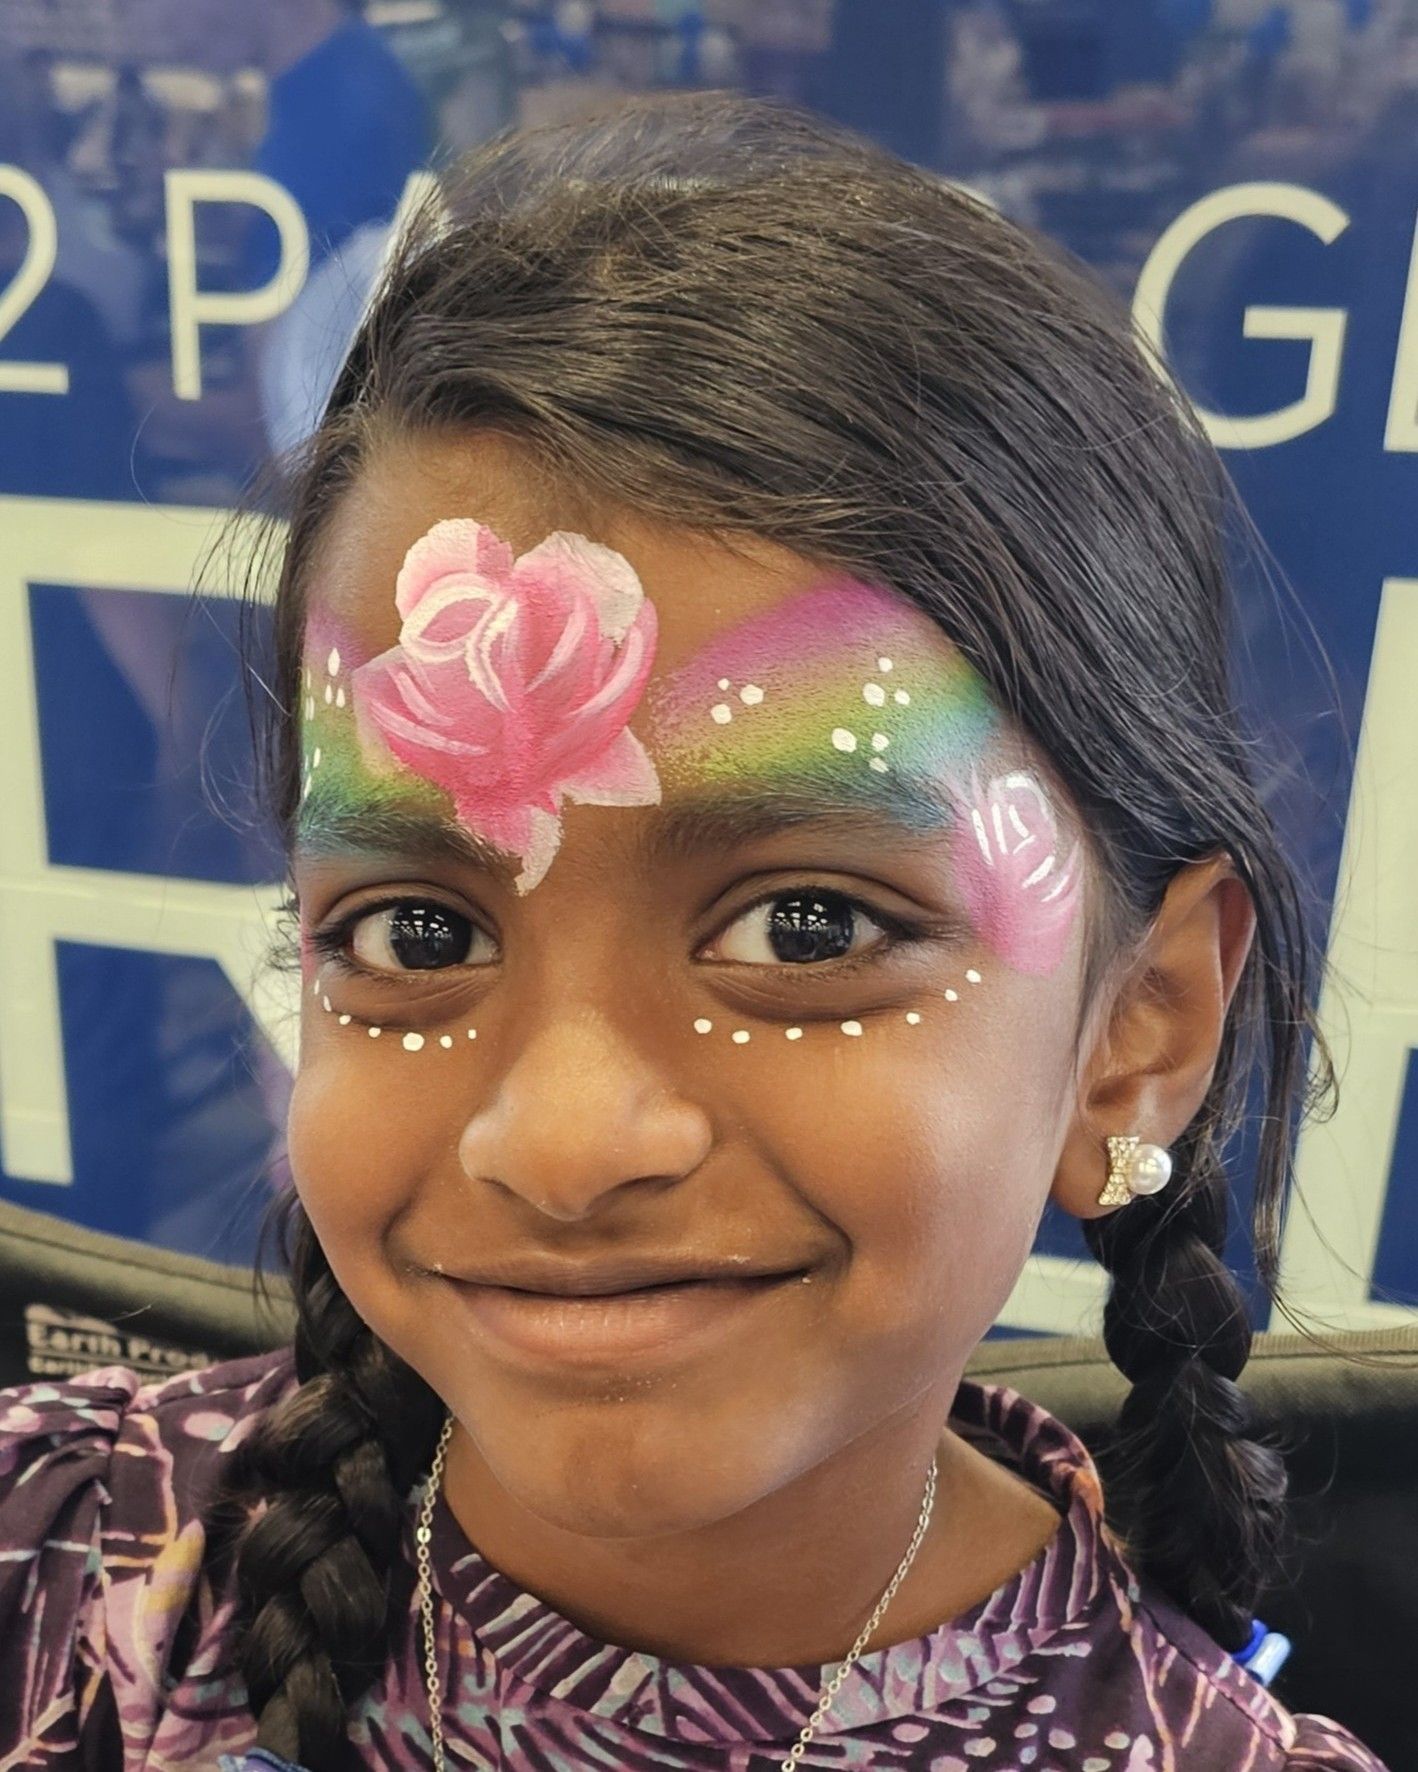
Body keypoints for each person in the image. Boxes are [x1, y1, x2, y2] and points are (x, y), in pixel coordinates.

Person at [0, 89, 1391, 1772]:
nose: (564, 1143)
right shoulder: (60, 1553)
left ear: (1138, 1031)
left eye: (807, 926)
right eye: (418, 937)